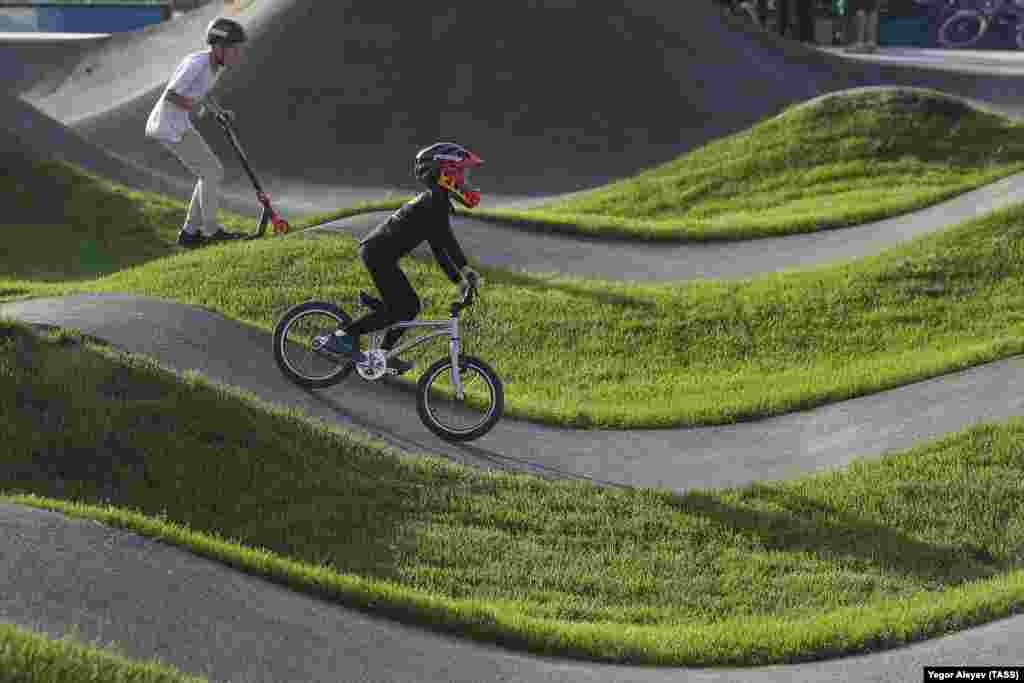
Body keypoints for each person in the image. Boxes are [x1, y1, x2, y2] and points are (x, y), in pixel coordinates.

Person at [323, 142, 483, 376]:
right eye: (463, 173)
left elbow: (439, 248)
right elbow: (448, 243)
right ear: (446, 173)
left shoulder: (435, 201)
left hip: (380, 254)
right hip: (378, 254)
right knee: (405, 306)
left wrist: (458, 282)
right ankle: (342, 337)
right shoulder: (433, 202)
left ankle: (384, 356)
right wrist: (466, 271)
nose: (466, 180)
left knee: (407, 308)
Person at [145, 17, 247, 248]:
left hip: (178, 124)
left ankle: (190, 234)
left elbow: (203, 94)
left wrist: (218, 111)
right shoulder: (197, 63)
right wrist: (196, 108)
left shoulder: (215, 67)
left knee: (210, 172)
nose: (237, 54)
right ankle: (210, 232)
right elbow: (171, 94)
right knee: (212, 172)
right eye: (233, 49)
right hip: (167, 126)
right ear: (218, 47)